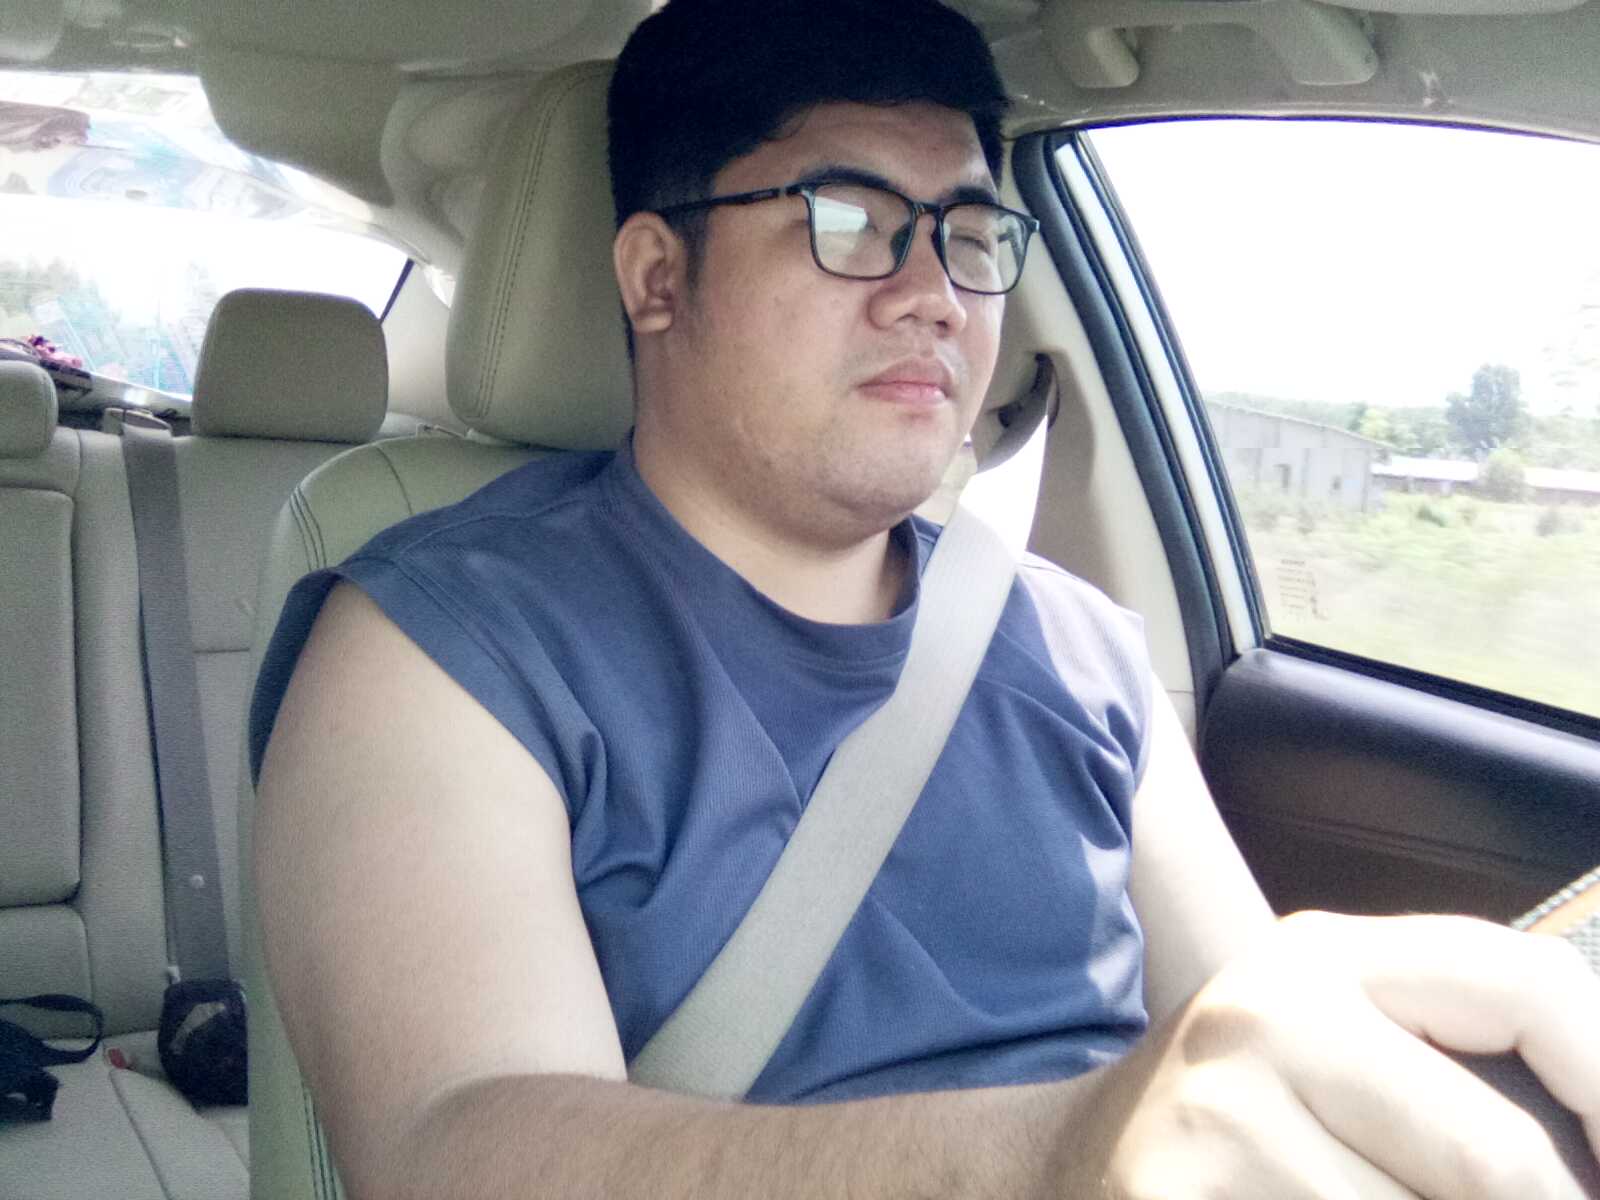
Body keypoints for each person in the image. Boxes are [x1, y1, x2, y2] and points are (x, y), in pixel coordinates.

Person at [251, 1, 1600, 1196]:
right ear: (657, 277)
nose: (936, 296)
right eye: (847, 223)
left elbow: (1239, 1029)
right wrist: (1066, 1157)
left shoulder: (1080, 648)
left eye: (969, 233)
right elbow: (456, 1146)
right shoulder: (438, 646)